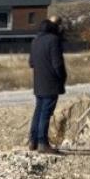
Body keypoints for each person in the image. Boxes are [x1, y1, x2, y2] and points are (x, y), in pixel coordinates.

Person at [28, 18, 66, 154]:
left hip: (38, 82)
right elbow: (57, 64)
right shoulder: (53, 40)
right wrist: (62, 77)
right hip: (51, 82)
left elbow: (31, 63)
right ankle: (42, 143)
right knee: (45, 113)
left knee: (38, 111)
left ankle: (33, 141)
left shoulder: (35, 41)